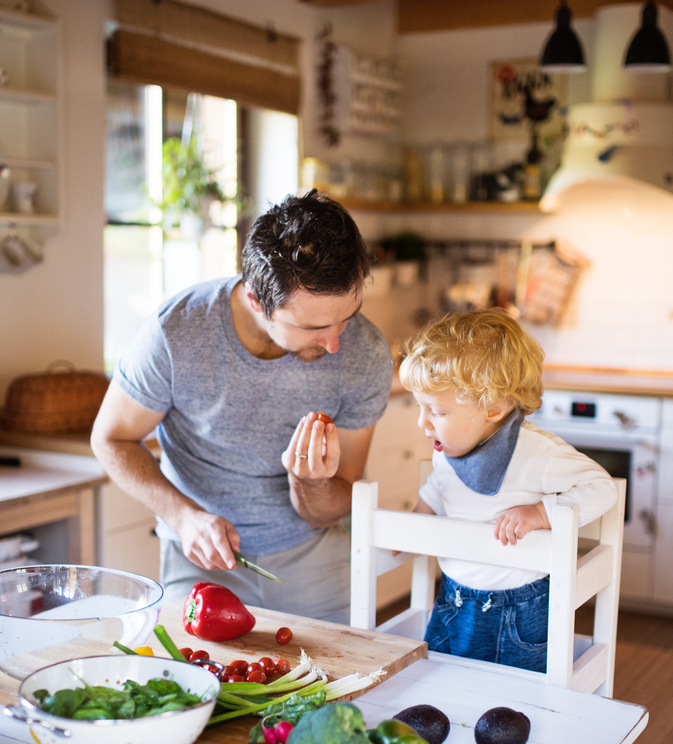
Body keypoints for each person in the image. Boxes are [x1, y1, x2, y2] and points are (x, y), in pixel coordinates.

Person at [91, 191, 393, 624]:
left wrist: (309, 482)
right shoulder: (177, 331)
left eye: (348, 316)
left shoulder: (365, 352)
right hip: (199, 556)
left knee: (331, 685)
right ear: (256, 300)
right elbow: (111, 438)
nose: (335, 342)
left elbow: (337, 499)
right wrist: (183, 517)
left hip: (312, 556)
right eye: (314, 326)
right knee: (193, 687)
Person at [397, 309, 616, 671]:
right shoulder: (446, 448)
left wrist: (541, 514)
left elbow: (602, 489)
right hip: (453, 595)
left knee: (517, 700)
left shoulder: (540, 454)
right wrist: (416, 524)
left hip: (519, 608)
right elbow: (440, 487)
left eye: (436, 410)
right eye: (420, 408)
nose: (422, 423)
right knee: (440, 679)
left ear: (493, 408)